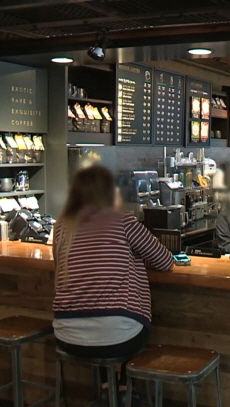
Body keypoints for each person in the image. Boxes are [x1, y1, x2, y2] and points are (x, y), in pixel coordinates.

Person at [52, 166, 174, 401]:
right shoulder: (123, 220)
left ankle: (109, 386)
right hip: (119, 335)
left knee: (104, 318)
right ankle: (124, 387)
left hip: (66, 335)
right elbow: (165, 260)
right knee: (123, 323)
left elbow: (60, 269)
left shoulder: (61, 227)